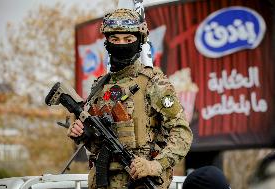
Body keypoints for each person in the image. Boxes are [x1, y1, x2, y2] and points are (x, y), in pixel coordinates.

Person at [67, 8, 193, 189]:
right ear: (107, 42)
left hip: (139, 183)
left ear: (139, 41)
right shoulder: (99, 86)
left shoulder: (153, 82)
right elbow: (95, 144)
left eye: (128, 39)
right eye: (115, 39)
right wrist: (82, 133)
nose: (121, 44)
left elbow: (182, 133)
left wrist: (155, 165)